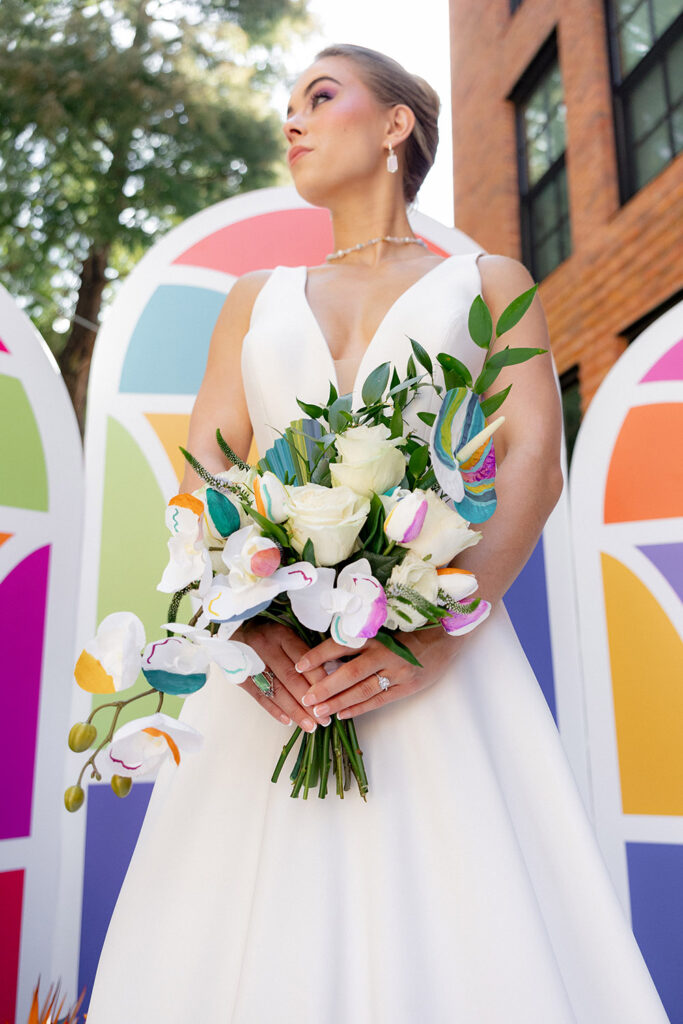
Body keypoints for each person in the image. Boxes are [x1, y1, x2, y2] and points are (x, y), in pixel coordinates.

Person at [85, 44, 669, 1023]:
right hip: (277, 680)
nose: (294, 118)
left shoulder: (487, 281)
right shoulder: (251, 299)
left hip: (431, 657)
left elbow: (532, 453)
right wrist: (246, 626)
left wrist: (435, 631)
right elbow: (203, 476)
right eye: (289, 103)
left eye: (321, 95)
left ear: (395, 124)